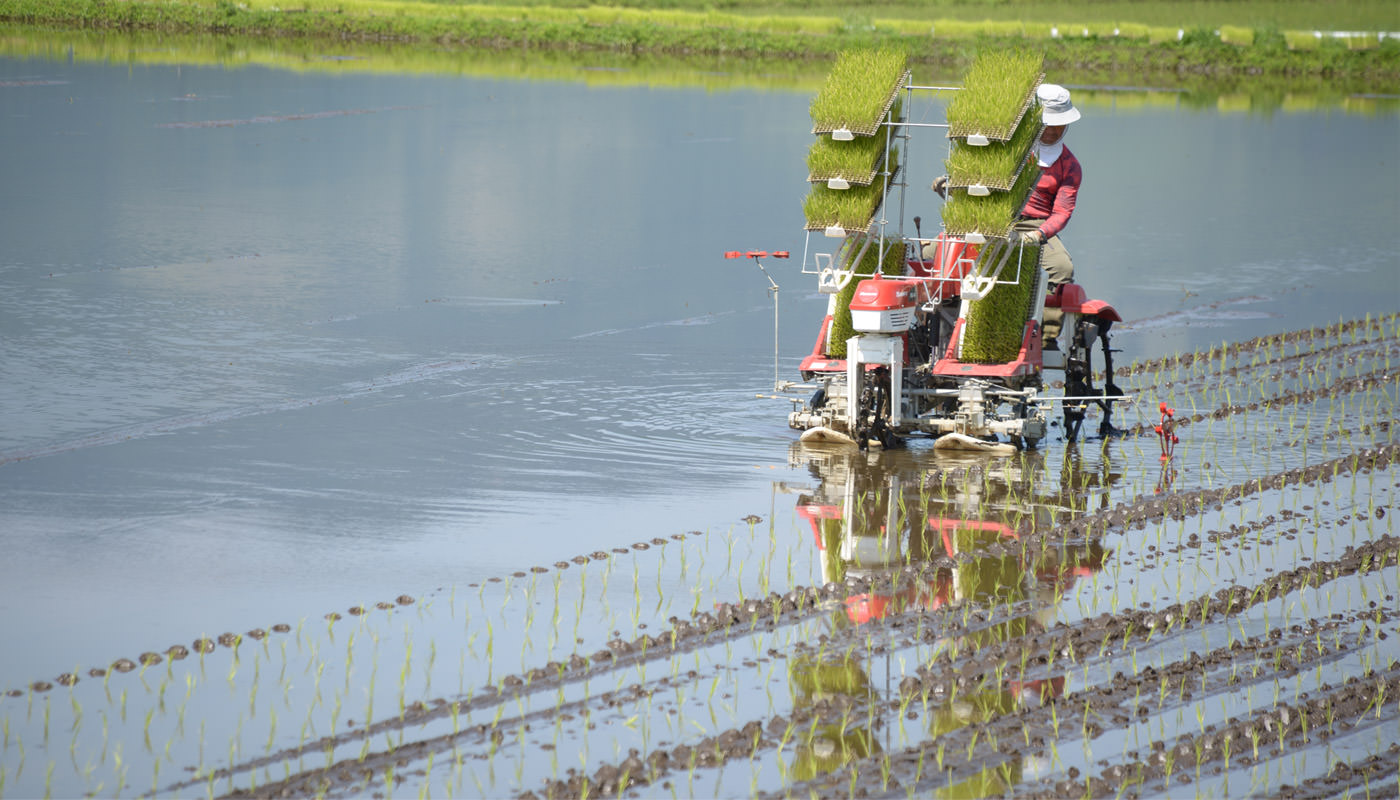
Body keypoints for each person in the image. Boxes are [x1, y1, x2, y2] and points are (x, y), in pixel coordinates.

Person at [1016, 83, 1082, 351]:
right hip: (994, 220)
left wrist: (1039, 234)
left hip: (1035, 225)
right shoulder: (1008, 147)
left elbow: (1062, 212)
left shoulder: (1069, 165)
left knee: (1062, 269)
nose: (1053, 130)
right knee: (932, 254)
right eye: (1047, 124)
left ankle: (1043, 339)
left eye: (1059, 125)